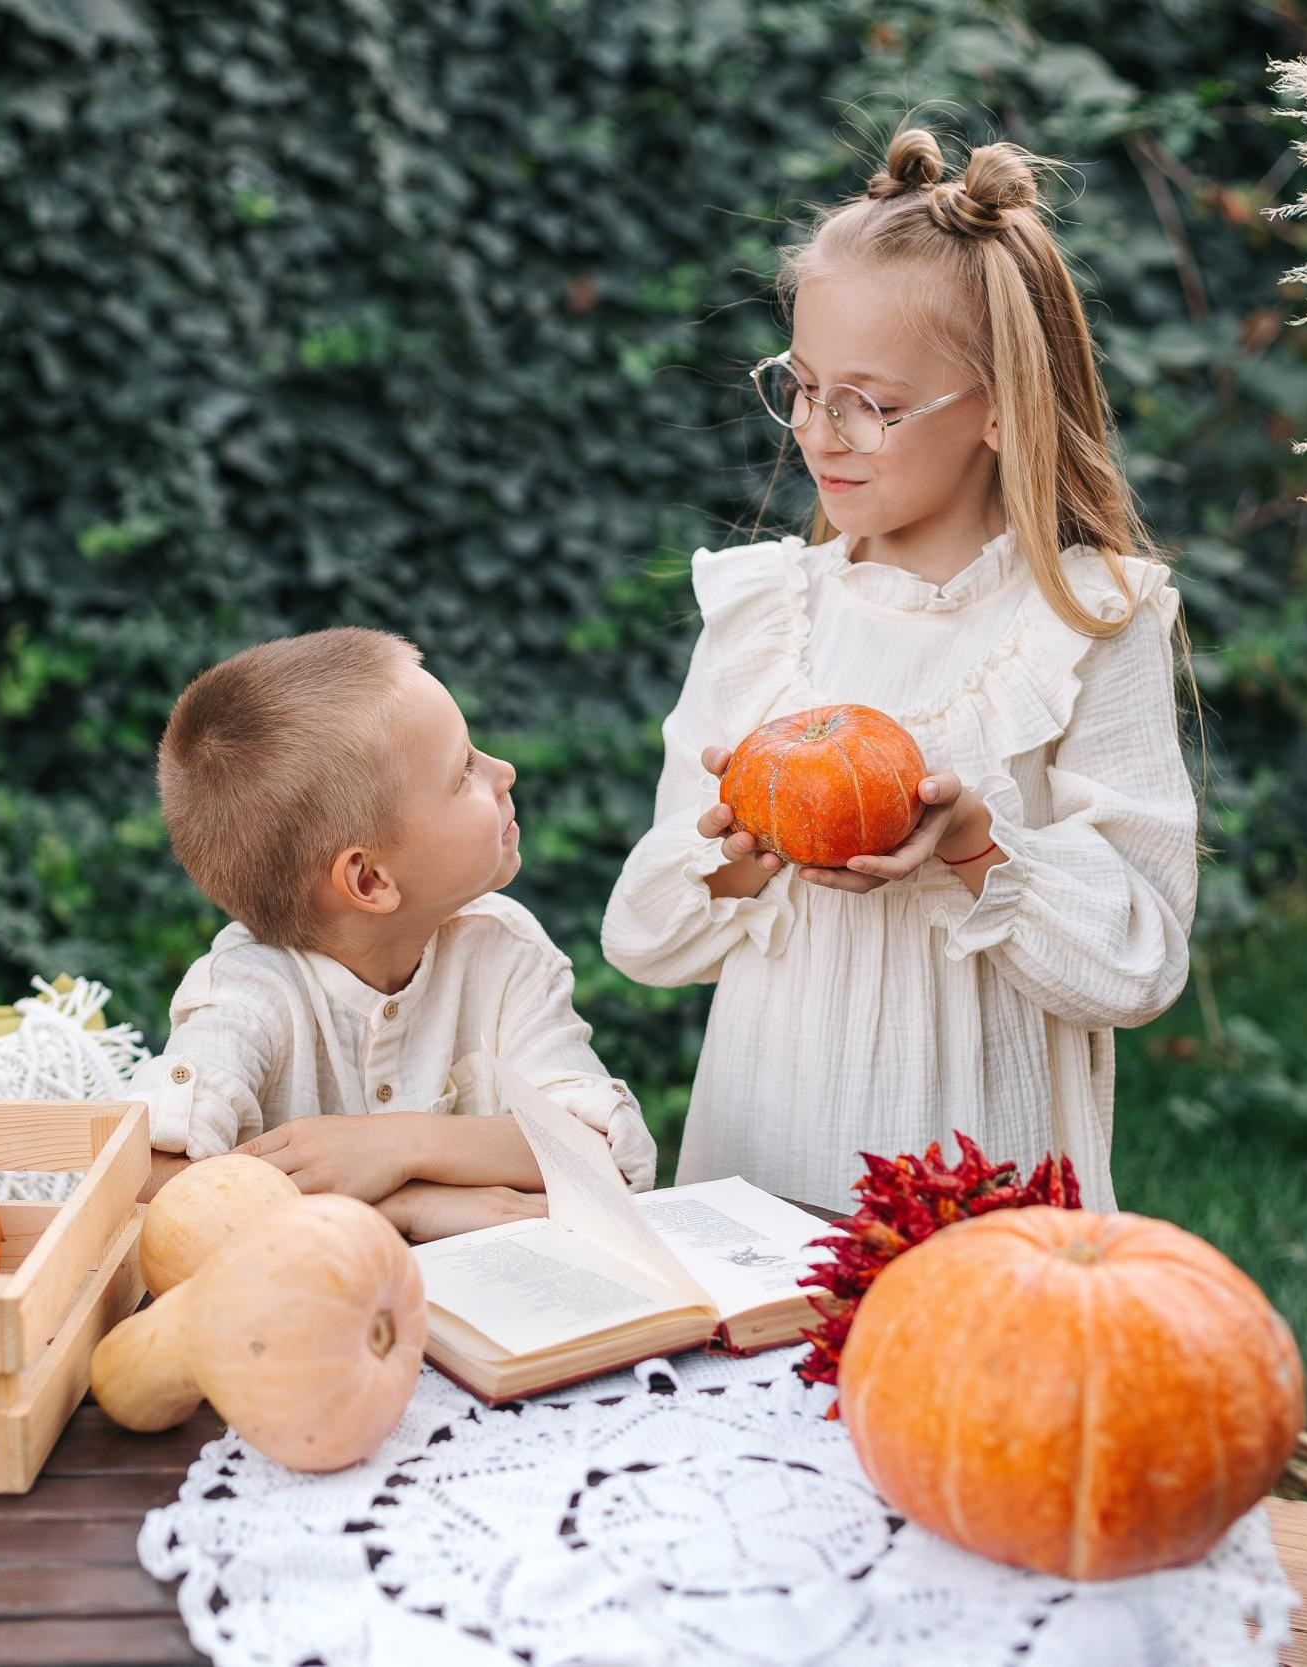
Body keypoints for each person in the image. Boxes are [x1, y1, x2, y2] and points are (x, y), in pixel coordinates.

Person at [602, 126, 1197, 1211]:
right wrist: (733, 861)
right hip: (768, 1149)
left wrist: (974, 844)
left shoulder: (1085, 621)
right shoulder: (765, 616)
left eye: (869, 403)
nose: (818, 432)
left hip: (981, 1167)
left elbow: (1139, 960)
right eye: (802, 384)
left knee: (959, 1379)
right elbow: (642, 935)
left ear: (1002, 407)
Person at [127, 627, 653, 1240]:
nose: (504, 771)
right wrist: (398, 1210)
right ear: (371, 880)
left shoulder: (503, 950)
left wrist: (400, 1145)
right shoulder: (247, 994)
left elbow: (608, 1154)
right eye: (463, 772)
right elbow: (140, 1181)